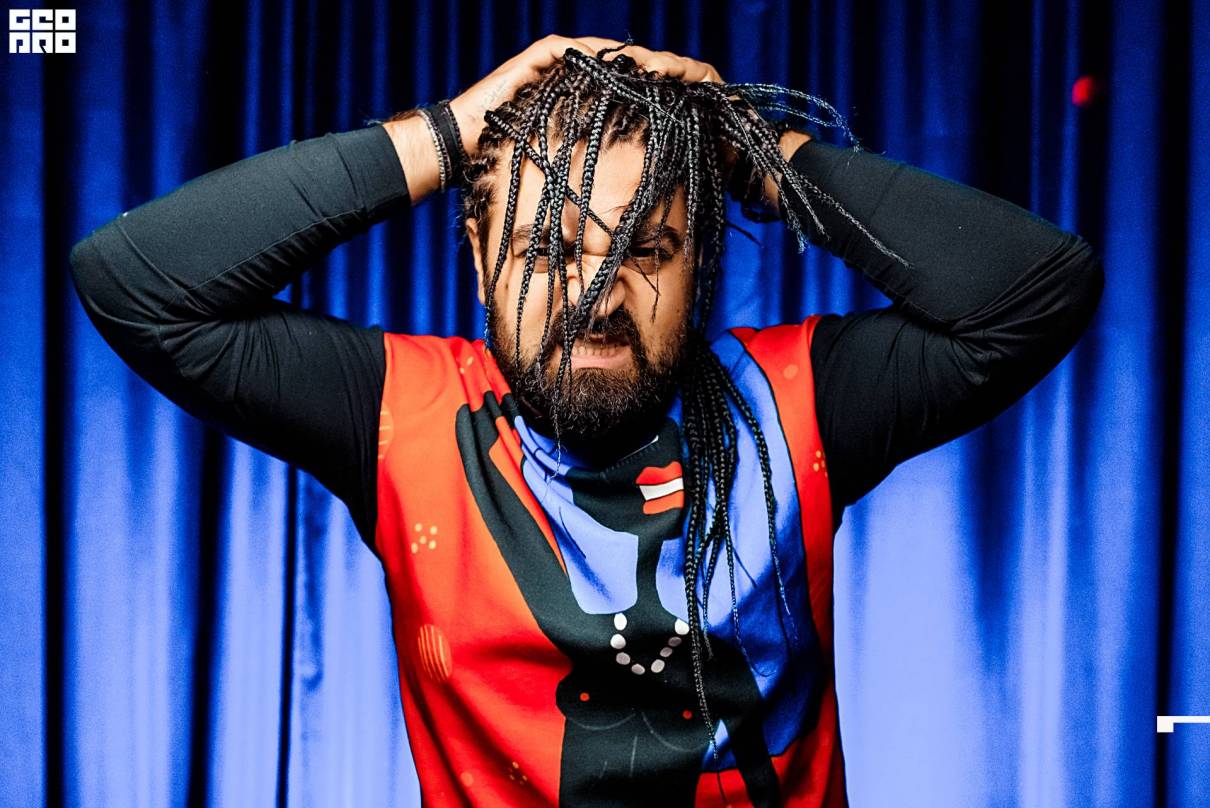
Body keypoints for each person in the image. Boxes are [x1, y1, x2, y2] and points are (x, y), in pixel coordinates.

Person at [68, 35, 1103, 808]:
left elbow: (1037, 289)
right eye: (548, 249)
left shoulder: (801, 404)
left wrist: (755, 154)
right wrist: (446, 135)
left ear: (701, 268)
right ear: (480, 261)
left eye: (646, 250)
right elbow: (134, 281)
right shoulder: (402, 416)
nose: (596, 295)